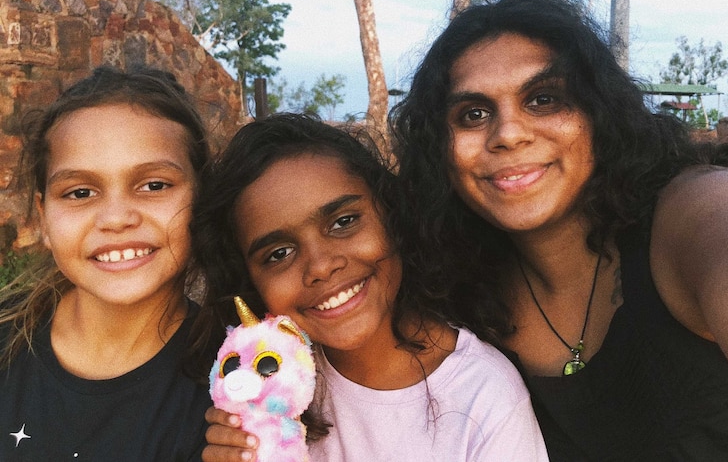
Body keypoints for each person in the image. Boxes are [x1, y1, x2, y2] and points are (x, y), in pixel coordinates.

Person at [388, 0, 728, 462]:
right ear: (439, 149)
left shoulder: (695, 212)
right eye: (473, 114)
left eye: (543, 99)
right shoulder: (455, 289)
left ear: (598, 112)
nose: (508, 133)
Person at [188, 113, 549, 462]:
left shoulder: (484, 394)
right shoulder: (266, 387)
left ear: (393, 216)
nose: (321, 265)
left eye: (343, 222)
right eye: (279, 253)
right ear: (249, 282)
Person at [0, 66, 213, 461]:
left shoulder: (235, 390)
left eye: (154, 185)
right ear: (44, 218)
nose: (116, 218)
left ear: (202, 200)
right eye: (80, 192)